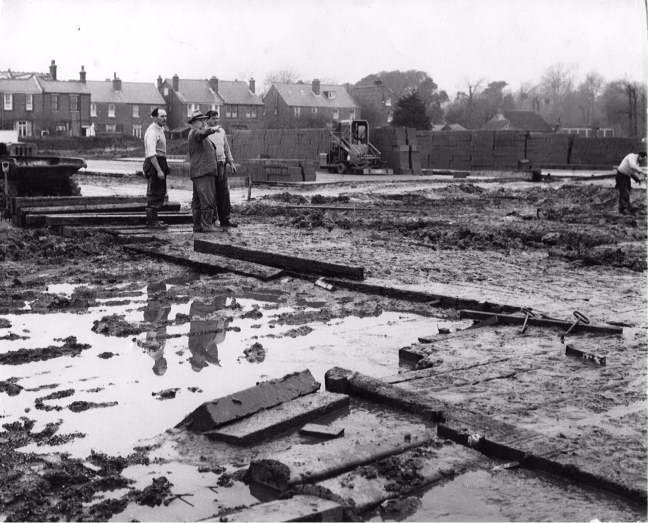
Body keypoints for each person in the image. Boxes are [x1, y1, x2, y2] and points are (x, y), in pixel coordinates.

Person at [187, 110, 220, 233]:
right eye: (201, 120)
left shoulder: (195, 133)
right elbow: (202, 134)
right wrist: (212, 129)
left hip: (199, 172)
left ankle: (197, 225)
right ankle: (207, 225)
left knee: (197, 200)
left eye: (204, 120)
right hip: (203, 172)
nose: (203, 122)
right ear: (194, 122)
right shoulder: (195, 133)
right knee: (207, 198)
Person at [205, 110, 238, 227]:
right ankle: (212, 219)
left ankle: (225, 219)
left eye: (217, 118)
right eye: (213, 118)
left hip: (221, 164)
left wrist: (231, 162)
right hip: (210, 165)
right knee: (211, 193)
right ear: (207, 119)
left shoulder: (222, 131)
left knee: (223, 192)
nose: (215, 120)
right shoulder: (204, 132)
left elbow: (226, 148)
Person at [143, 107, 170, 229]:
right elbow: (152, 154)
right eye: (161, 116)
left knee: (159, 191)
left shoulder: (160, 130)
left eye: (165, 116)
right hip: (154, 163)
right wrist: (159, 170)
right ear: (154, 117)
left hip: (160, 161)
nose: (164, 118)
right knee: (154, 191)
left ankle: (155, 221)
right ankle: (152, 222)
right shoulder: (152, 132)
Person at [188, 297, 230, 372]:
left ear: (193, 359)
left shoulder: (193, 349)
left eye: (198, 362)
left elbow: (201, 353)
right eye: (201, 362)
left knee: (204, 291)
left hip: (200, 311)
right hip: (207, 312)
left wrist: (213, 361)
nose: (201, 360)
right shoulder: (205, 344)